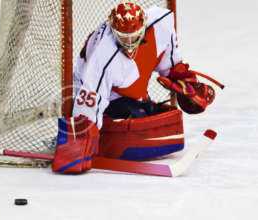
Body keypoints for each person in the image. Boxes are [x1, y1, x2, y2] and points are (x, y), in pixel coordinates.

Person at [52, 1, 222, 174]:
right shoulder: (103, 56)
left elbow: (169, 62)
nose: (130, 42)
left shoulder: (161, 22)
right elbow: (89, 99)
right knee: (136, 119)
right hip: (96, 88)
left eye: (135, 36)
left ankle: (131, 115)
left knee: (155, 116)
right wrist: (77, 143)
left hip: (125, 83)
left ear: (144, 25)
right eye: (124, 37)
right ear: (113, 30)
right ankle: (100, 139)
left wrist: (183, 80)